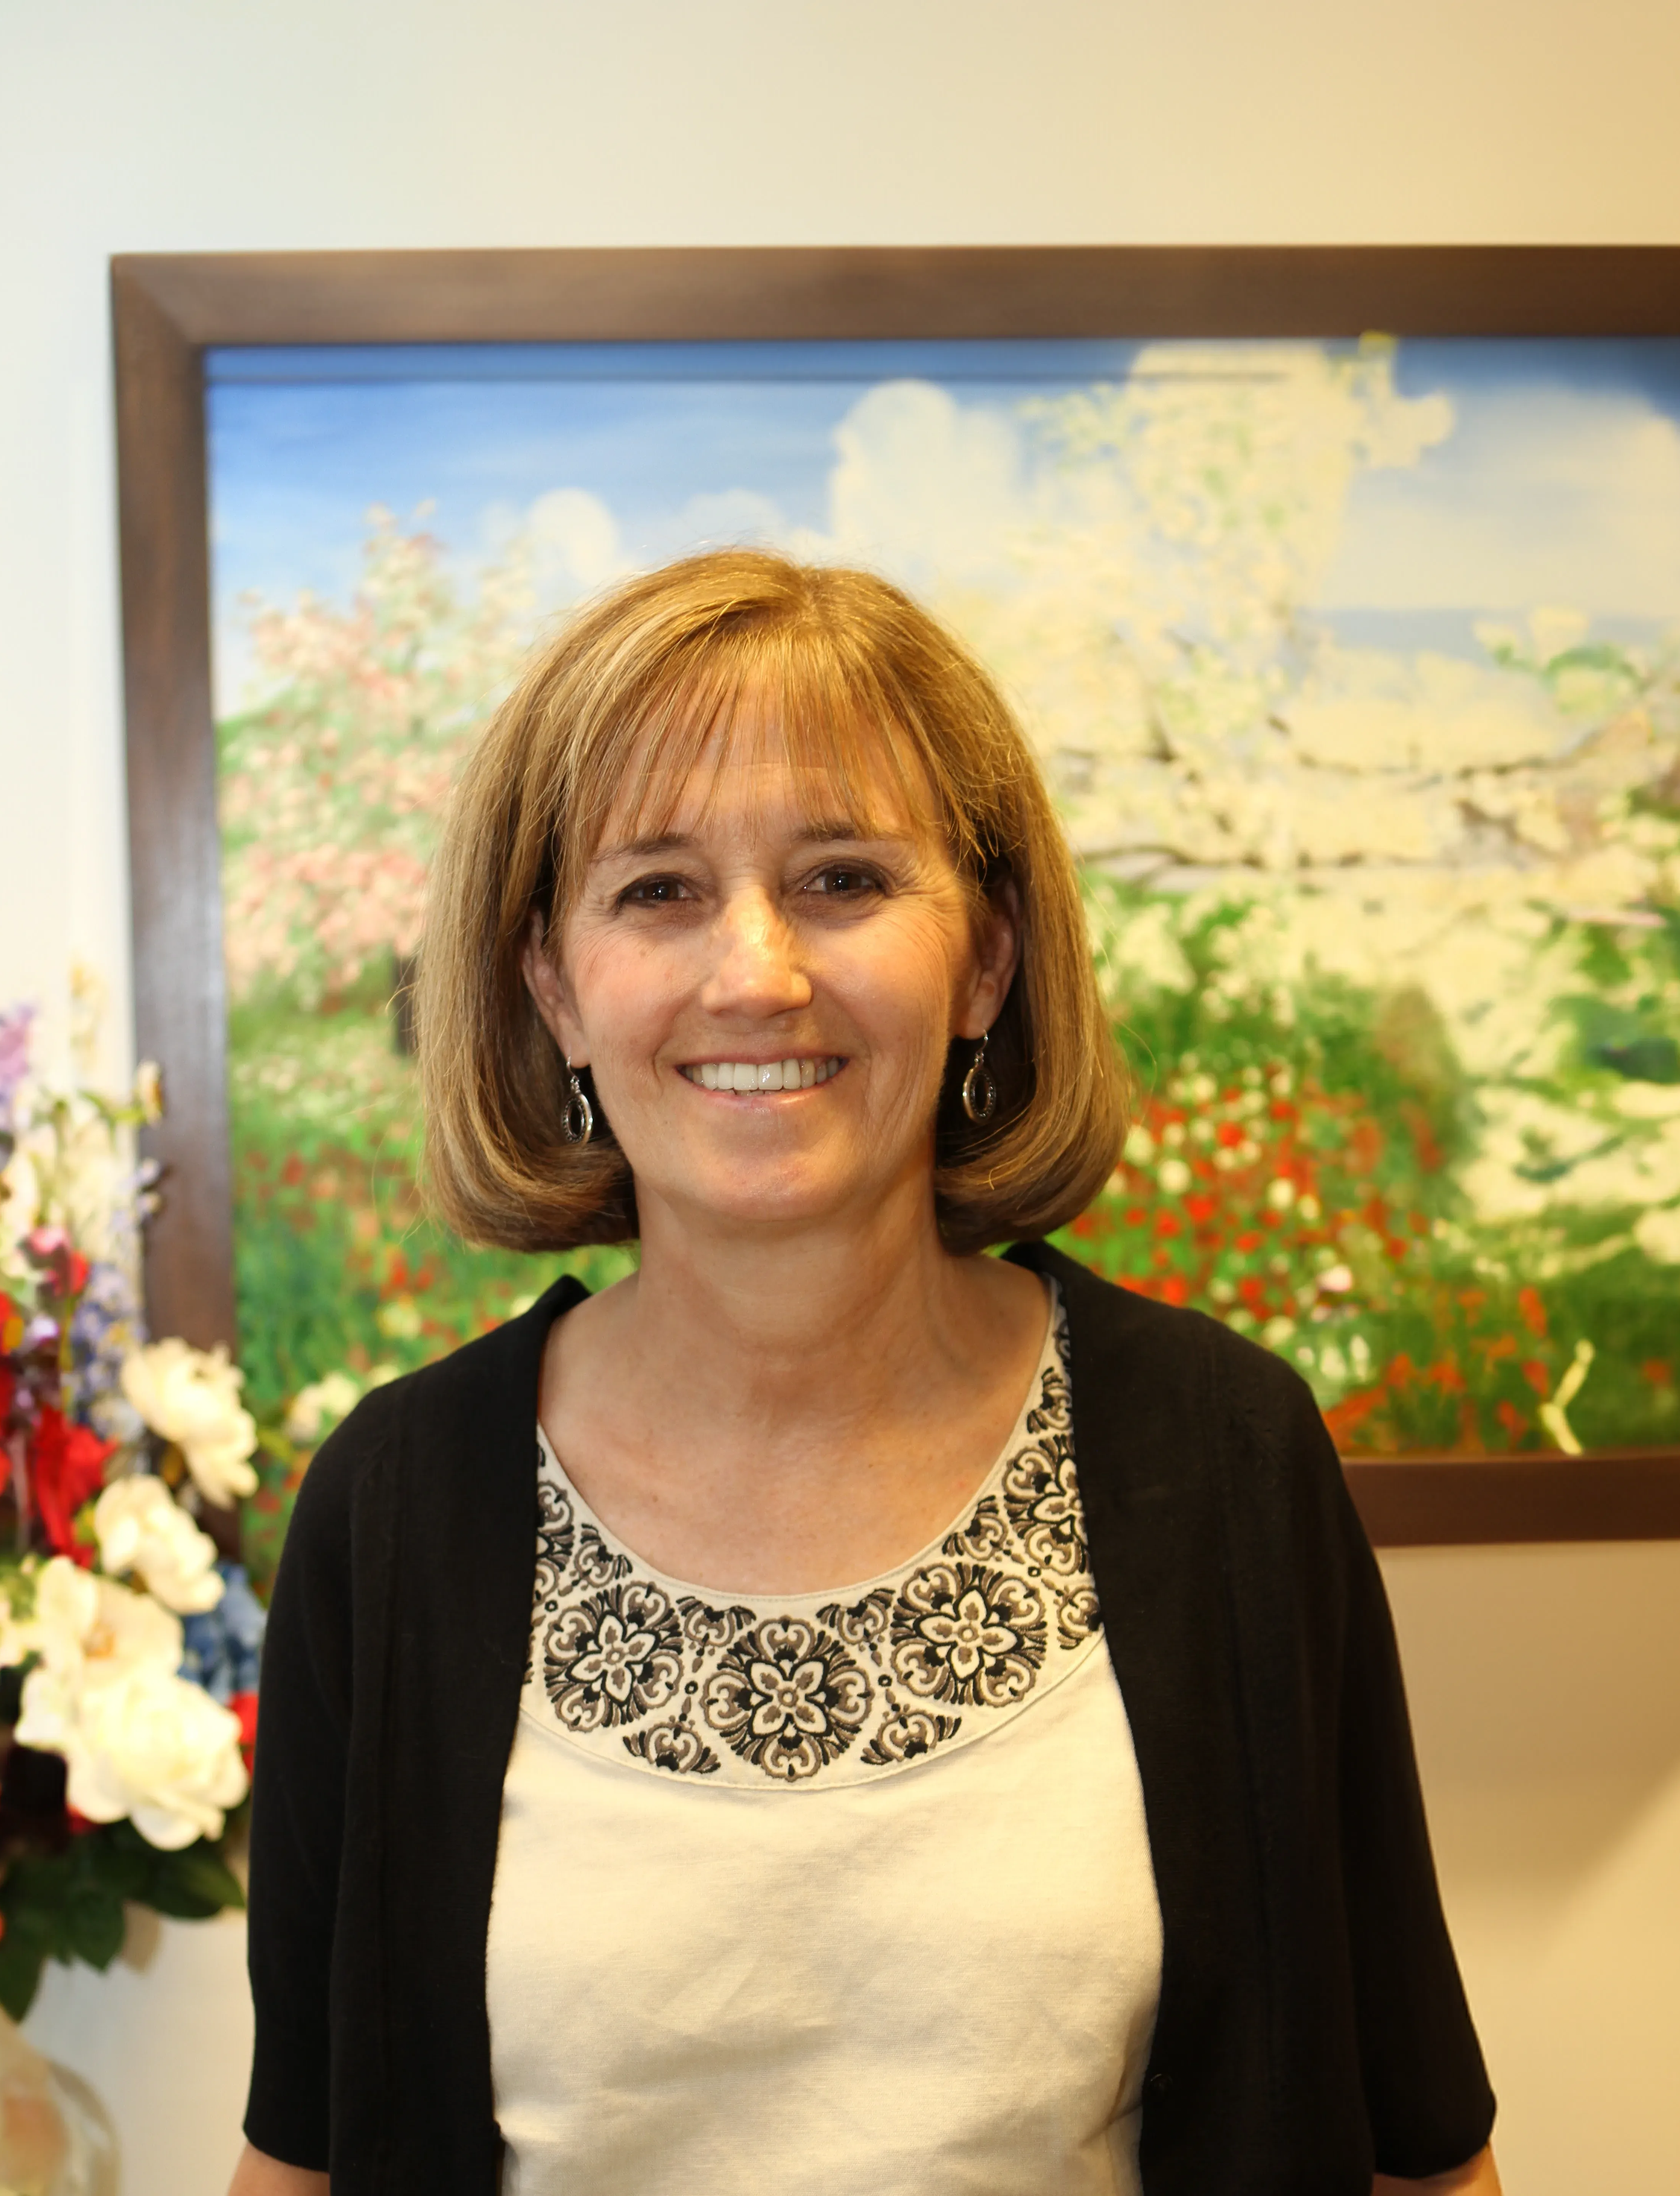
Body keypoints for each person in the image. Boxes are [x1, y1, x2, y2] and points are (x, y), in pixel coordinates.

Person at [227, 550, 1501, 2196]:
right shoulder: (398, 1502)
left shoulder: (1224, 1455)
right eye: (657, 889)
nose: (754, 971)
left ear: (982, 960)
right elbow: (305, 2155)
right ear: (551, 986)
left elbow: (1418, 2150)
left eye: (839, 878)